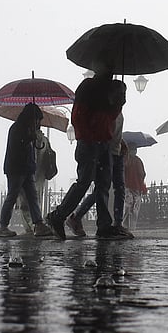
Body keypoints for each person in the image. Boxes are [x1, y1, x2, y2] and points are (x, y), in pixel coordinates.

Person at [46, 69, 132, 240]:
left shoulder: (109, 89)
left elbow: (109, 118)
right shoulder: (88, 88)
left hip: (103, 142)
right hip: (89, 142)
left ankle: (104, 225)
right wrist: (89, 136)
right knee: (85, 181)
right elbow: (78, 116)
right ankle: (58, 216)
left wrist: (118, 103)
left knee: (103, 184)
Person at [65, 109, 125, 237]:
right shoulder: (106, 110)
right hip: (107, 151)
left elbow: (114, 131)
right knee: (102, 189)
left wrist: (121, 142)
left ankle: (117, 223)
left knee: (116, 188)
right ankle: (76, 217)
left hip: (116, 151)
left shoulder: (117, 111)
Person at [0, 102, 51, 238]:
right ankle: (2, 226)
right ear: (31, 117)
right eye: (37, 119)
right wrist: (28, 138)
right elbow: (17, 147)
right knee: (12, 196)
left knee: (32, 197)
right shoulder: (17, 128)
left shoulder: (27, 129)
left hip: (27, 168)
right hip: (16, 169)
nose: (38, 122)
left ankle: (38, 224)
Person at [123, 143, 147, 232]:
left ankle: (130, 227)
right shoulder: (127, 160)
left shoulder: (135, 160)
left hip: (134, 186)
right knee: (130, 207)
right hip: (129, 186)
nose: (134, 151)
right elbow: (142, 173)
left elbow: (142, 173)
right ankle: (127, 227)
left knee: (132, 207)